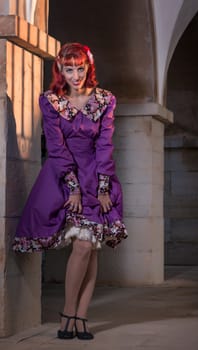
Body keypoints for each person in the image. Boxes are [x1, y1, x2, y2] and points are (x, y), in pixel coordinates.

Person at [12, 42, 128, 340]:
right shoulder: (50, 101)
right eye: (69, 69)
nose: (75, 75)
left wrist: (103, 187)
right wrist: (72, 188)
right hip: (62, 174)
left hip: (95, 173)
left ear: (88, 67)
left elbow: (105, 144)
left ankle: (80, 316)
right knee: (82, 247)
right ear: (60, 70)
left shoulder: (105, 100)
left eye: (80, 68)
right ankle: (68, 312)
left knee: (88, 247)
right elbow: (55, 145)